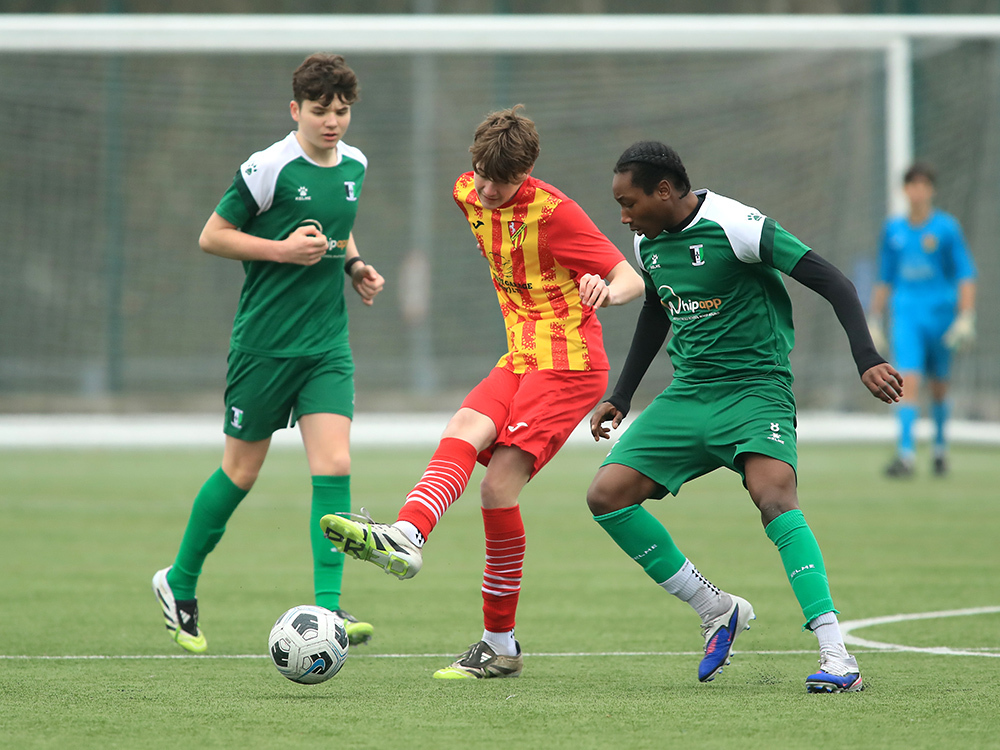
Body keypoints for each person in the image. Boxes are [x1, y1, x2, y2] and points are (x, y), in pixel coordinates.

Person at [321, 105, 644, 679]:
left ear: (528, 171)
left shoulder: (557, 214)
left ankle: (499, 644)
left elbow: (630, 278)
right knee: (461, 430)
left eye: (505, 181)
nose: (490, 191)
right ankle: (405, 535)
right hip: (520, 356)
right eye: (483, 176)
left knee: (496, 490)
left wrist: (605, 290)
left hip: (568, 365)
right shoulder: (466, 191)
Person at [586, 141, 904, 694]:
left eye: (629, 201)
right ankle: (716, 608)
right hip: (688, 396)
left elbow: (834, 282)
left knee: (775, 499)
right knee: (606, 496)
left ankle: (837, 656)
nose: (624, 216)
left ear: (664, 190)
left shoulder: (737, 225)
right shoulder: (647, 241)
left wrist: (866, 358)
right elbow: (656, 309)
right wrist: (623, 393)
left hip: (756, 391)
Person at [152, 53, 385, 654]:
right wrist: (282, 251)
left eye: (341, 111)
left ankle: (329, 612)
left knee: (333, 466)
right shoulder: (267, 167)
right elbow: (212, 236)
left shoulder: (356, 164)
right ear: (295, 111)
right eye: (319, 111)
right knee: (241, 472)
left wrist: (354, 265)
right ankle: (179, 582)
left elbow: (336, 224)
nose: (332, 122)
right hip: (263, 346)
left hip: (326, 347)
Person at [868, 162, 977, 478]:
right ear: (905, 190)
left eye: (923, 185)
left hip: (942, 316)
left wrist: (966, 315)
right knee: (908, 380)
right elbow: (884, 277)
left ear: (931, 190)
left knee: (940, 385)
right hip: (907, 315)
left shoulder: (946, 229)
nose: (917, 191)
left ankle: (940, 449)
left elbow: (965, 274)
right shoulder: (893, 230)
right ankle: (906, 455)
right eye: (912, 185)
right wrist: (873, 318)